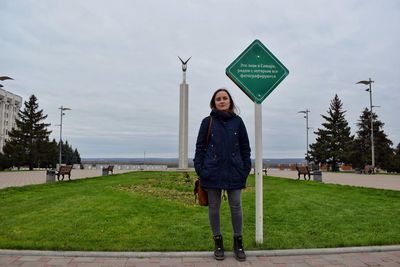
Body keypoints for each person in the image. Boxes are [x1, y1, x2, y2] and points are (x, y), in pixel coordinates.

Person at [194, 88, 251, 261]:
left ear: (230, 102)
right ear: (214, 103)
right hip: (212, 172)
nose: (222, 101)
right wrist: (201, 169)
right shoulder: (207, 121)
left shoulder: (238, 122)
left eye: (225, 98)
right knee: (214, 207)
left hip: (235, 171)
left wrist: (245, 168)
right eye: (218, 99)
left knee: (236, 206)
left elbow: (245, 148)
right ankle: (218, 242)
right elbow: (200, 148)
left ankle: (238, 243)